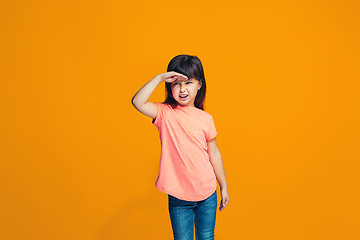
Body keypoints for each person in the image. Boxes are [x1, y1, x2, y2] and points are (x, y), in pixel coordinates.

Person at [131, 54, 229, 240]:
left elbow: (214, 153)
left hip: (207, 194)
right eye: (176, 83)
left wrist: (223, 186)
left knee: (207, 237)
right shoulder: (164, 113)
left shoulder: (205, 119)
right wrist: (159, 78)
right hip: (179, 197)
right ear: (169, 86)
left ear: (199, 84)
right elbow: (137, 102)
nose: (182, 89)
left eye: (189, 83)